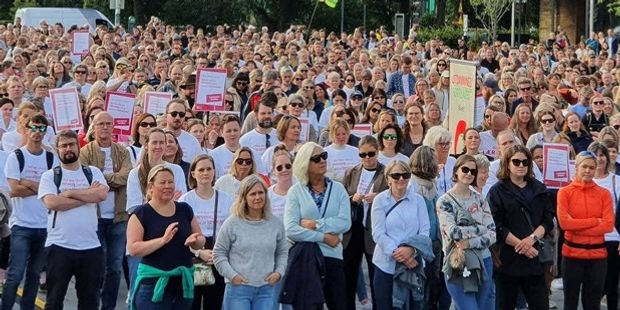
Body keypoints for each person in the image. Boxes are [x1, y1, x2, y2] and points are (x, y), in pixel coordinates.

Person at [38, 130, 109, 309]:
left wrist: (69, 194)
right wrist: (86, 195)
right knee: (54, 301)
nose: (68, 149)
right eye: (64, 146)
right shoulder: (50, 176)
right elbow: (52, 202)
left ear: (78, 147)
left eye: (71, 144)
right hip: (59, 246)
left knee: (90, 302)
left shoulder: (92, 172)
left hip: (91, 247)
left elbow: (101, 194)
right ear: (57, 149)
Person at [126, 164, 206, 309]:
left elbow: (200, 239)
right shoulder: (141, 214)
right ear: (151, 186)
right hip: (153, 285)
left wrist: (196, 241)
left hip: (182, 284)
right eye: (162, 182)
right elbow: (133, 249)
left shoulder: (184, 209)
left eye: (171, 182)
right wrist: (163, 240)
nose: (168, 186)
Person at [284, 142, 351, 310]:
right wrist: (324, 237)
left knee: (339, 305)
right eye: (316, 158)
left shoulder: (339, 189)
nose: (322, 161)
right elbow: (291, 229)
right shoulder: (295, 191)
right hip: (306, 259)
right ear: (305, 163)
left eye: (324, 156)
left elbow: (345, 222)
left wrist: (315, 224)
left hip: (333, 258)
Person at [487, 145, 555, 310]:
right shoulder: (497, 191)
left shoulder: (539, 188)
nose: (521, 165)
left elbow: (547, 221)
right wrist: (522, 245)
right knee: (505, 305)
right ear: (507, 164)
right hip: (508, 258)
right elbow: (496, 224)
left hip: (535, 256)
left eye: (525, 162)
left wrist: (531, 240)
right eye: (516, 162)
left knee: (540, 305)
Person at [1, 114, 58, 310]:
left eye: (42, 129)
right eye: (34, 128)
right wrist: (42, 186)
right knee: (15, 273)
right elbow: (14, 189)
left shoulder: (51, 158)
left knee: (34, 275)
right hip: (21, 225)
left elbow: (55, 190)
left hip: (44, 226)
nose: (37, 132)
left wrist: (27, 182)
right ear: (26, 129)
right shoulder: (17, 156)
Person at [78, 112, 132, 310]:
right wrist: (111, 179)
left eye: (109, 123)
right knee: (97, 267)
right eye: (101, 123)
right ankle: (92, 303)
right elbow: (85, 178)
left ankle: (108, 306)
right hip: (95, 216)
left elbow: (126, 176)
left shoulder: (123, 152)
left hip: (118, 217)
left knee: (115, 267)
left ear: (114, 126)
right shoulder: (85, 151)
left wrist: (101, 180)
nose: (105, 127)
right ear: (94, 126)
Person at [213, 175, 288, 310]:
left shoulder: (276, 223)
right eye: (253, 194)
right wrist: (232, 276)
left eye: (261, 193)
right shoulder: (232, 223)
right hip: (238, 289)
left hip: (267, 289)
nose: (258, 197)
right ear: (244, 198)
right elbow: (218, 253)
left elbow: (282, 252)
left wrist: (279, 272)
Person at [436, 155, 496, 310]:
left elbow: (492, 234)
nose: (469, 173)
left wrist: (469, 242)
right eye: (465, 169)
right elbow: (453, 232)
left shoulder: (480, 198)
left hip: (484, 261)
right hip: (458, 261)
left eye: (473, 171)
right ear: (456, 171)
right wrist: (480, 229)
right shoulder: (445, 201)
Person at [557, 150, 615, 310]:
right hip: (572, 256)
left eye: (591, 167)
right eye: (584, 166)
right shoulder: (565, 192)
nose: (588, 171)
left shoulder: (604, 194)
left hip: (597, 257)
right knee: (570, 302)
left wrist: (577, 225)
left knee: (592, 304)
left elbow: (608, 225)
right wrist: (594, 222)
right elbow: (564, 224)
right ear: (576, 167)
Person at [371, 160, 432, 310]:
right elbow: (378, 233)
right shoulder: (380, 200)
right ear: (388, 179)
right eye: (396, 175)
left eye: (405, 175)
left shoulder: (418, 200)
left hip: (414, 264)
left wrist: (412, 250)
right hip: (386, 265)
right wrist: (400, 254)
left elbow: (425, 230)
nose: (401, 179)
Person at [179, 155, 235, 310]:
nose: (205, 173)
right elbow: (182, 235)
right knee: (192, 304)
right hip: (193, 257)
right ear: (193, 174)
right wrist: (198, 253)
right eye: (201, 169)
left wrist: (220, 254)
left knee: (215, 304)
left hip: (218, 257)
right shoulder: (185, 201)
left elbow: (232, 231)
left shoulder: (226, 199)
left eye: (209, 169)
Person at [341, 136, 389, 310]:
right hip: (353, 231)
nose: (367, 158)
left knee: (376, 278)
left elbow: (393, 197)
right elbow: (341, 198)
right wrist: (351, 198)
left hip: (374, 231)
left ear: (377, 152)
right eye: (363, 154)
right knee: (348, 278)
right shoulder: (351, 172)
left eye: (371, 154)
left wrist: (378, 197)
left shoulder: (386, 173)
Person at [408, 145, 451, 310]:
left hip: (437, 243)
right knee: (425, 291)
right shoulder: (414, 187)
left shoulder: (431, 184)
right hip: (423, 245)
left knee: (435, 288)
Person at [424, 126, 456, 196]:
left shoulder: (453, 162)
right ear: (431, 145)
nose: (446, 147)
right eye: (441, 144)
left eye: (447, 143)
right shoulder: (424, 164)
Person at [267, 146, 295, 219]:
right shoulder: (267, 195)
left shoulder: (302, 191)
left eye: (288, 166)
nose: (284, 170)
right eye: (279, 168)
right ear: (273, 170)